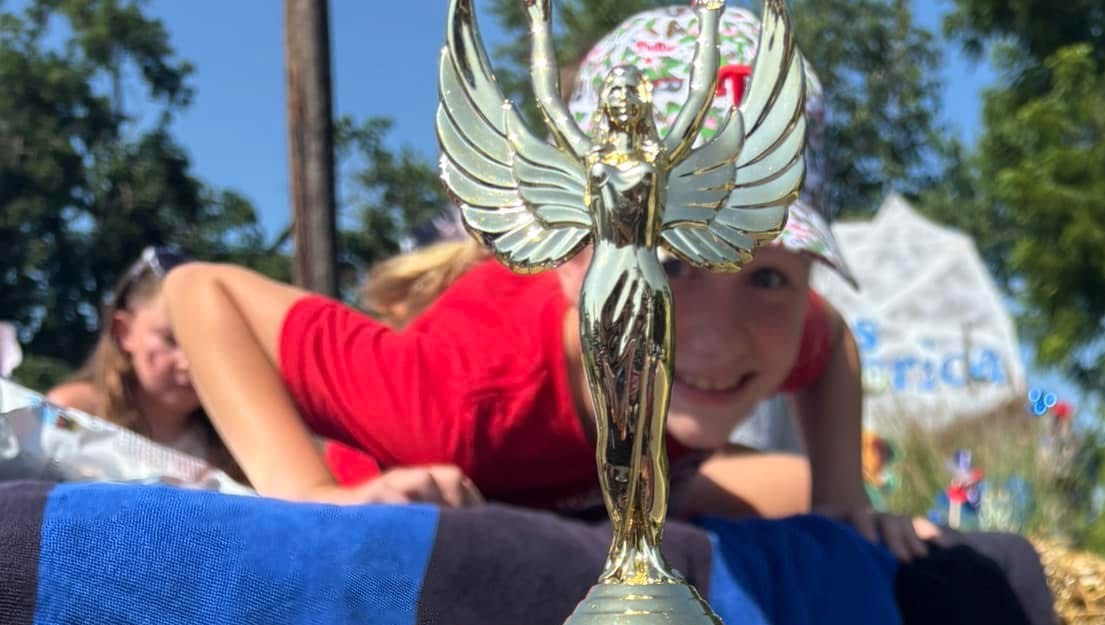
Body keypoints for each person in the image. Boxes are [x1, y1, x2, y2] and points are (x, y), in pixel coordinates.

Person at [160, 4, 930, 556]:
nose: (716, 335)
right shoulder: (456, 394)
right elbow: (200, 292)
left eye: (766, 276)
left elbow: (831, 344)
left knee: (819, 508)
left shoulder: (775, 332)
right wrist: (312, 502)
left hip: (624, 483)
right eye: (667, 262)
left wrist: (843, 500)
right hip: (473, 486)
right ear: (570, 259)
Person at [47, 246, 241, 478]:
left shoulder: (233, 447)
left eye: (206, 345)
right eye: (172, 340)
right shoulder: (73, 412)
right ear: (124, 333)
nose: (188, 363)